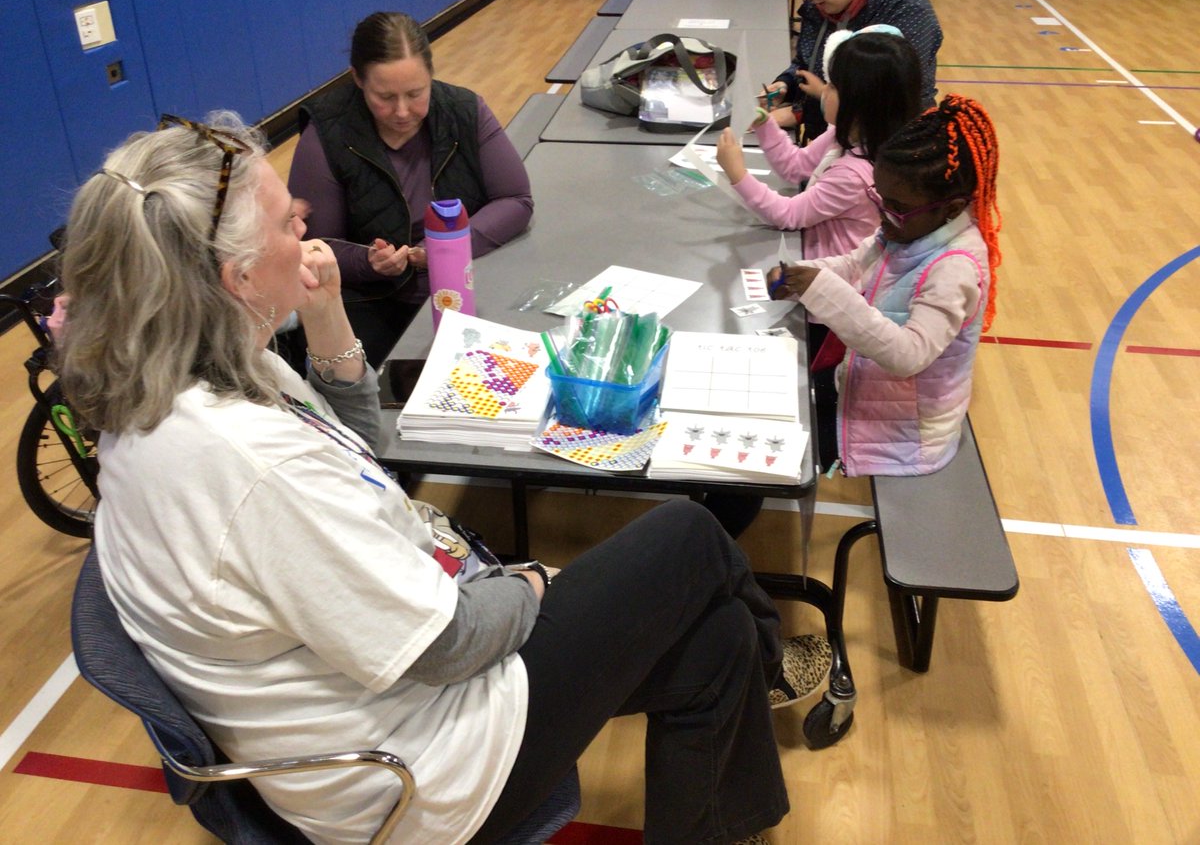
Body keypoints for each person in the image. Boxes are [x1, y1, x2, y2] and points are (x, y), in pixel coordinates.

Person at [57, 112, 801, 844]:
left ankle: (736, 773)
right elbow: (449, 644)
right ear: (238, 278)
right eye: (289, 222)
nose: (308, 229)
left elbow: (354, 461)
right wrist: (537, 580)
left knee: (721, 640)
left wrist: (325, 316)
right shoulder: (247, 465)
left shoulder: (181, 371)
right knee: (690, 536)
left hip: (399, 686)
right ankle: (774, 658)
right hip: (418, 777)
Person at [767, 94, 1002, 477]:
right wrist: (799, 274)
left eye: (893, 205)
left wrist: (822, 290)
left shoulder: (956, 268)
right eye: (878, 196)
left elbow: (908, 354)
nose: (882, 214)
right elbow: (852, 264)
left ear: (953, 208)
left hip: (905, 437)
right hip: (867, 391)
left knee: (780, 440)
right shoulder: (907, 225)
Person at [288, 12, 534, 367]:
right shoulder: (327, 133)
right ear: (358, 79)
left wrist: (444, 247)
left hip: (467, 283)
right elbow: (313, 246)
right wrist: (369, 262)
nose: (402, 112)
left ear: (431, 76)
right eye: (384, 97)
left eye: (416, 94)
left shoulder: (464, 110)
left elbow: (516, 200)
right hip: (375, 301)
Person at [716, 27, 922, 259]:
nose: (823, 91)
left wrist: (737, 174)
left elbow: (788, 215)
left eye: (832, 86)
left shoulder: (852, 176)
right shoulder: (845, 134)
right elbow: (795, 167)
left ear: (859, 102)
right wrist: (765, 124)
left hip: (832, 276)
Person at [765, 0, 942, 143]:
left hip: (889, 151)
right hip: (833, 143)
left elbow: (891, 101)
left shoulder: (906, 8)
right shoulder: (821, 4)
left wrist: (803, 110)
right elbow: (807, 60)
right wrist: (786, 84)